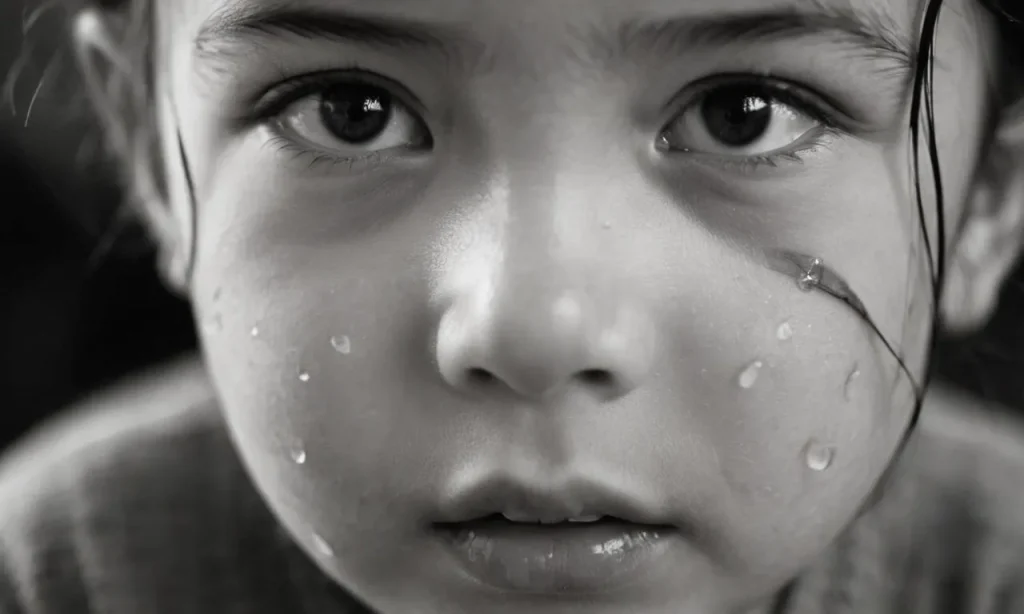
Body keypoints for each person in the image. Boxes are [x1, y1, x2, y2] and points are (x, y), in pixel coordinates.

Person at [3, 0, 1024, 611]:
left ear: (985, 201)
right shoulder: (58, 576)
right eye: (351, 112)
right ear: (154, 166)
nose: (534, 325)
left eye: (740, 112)